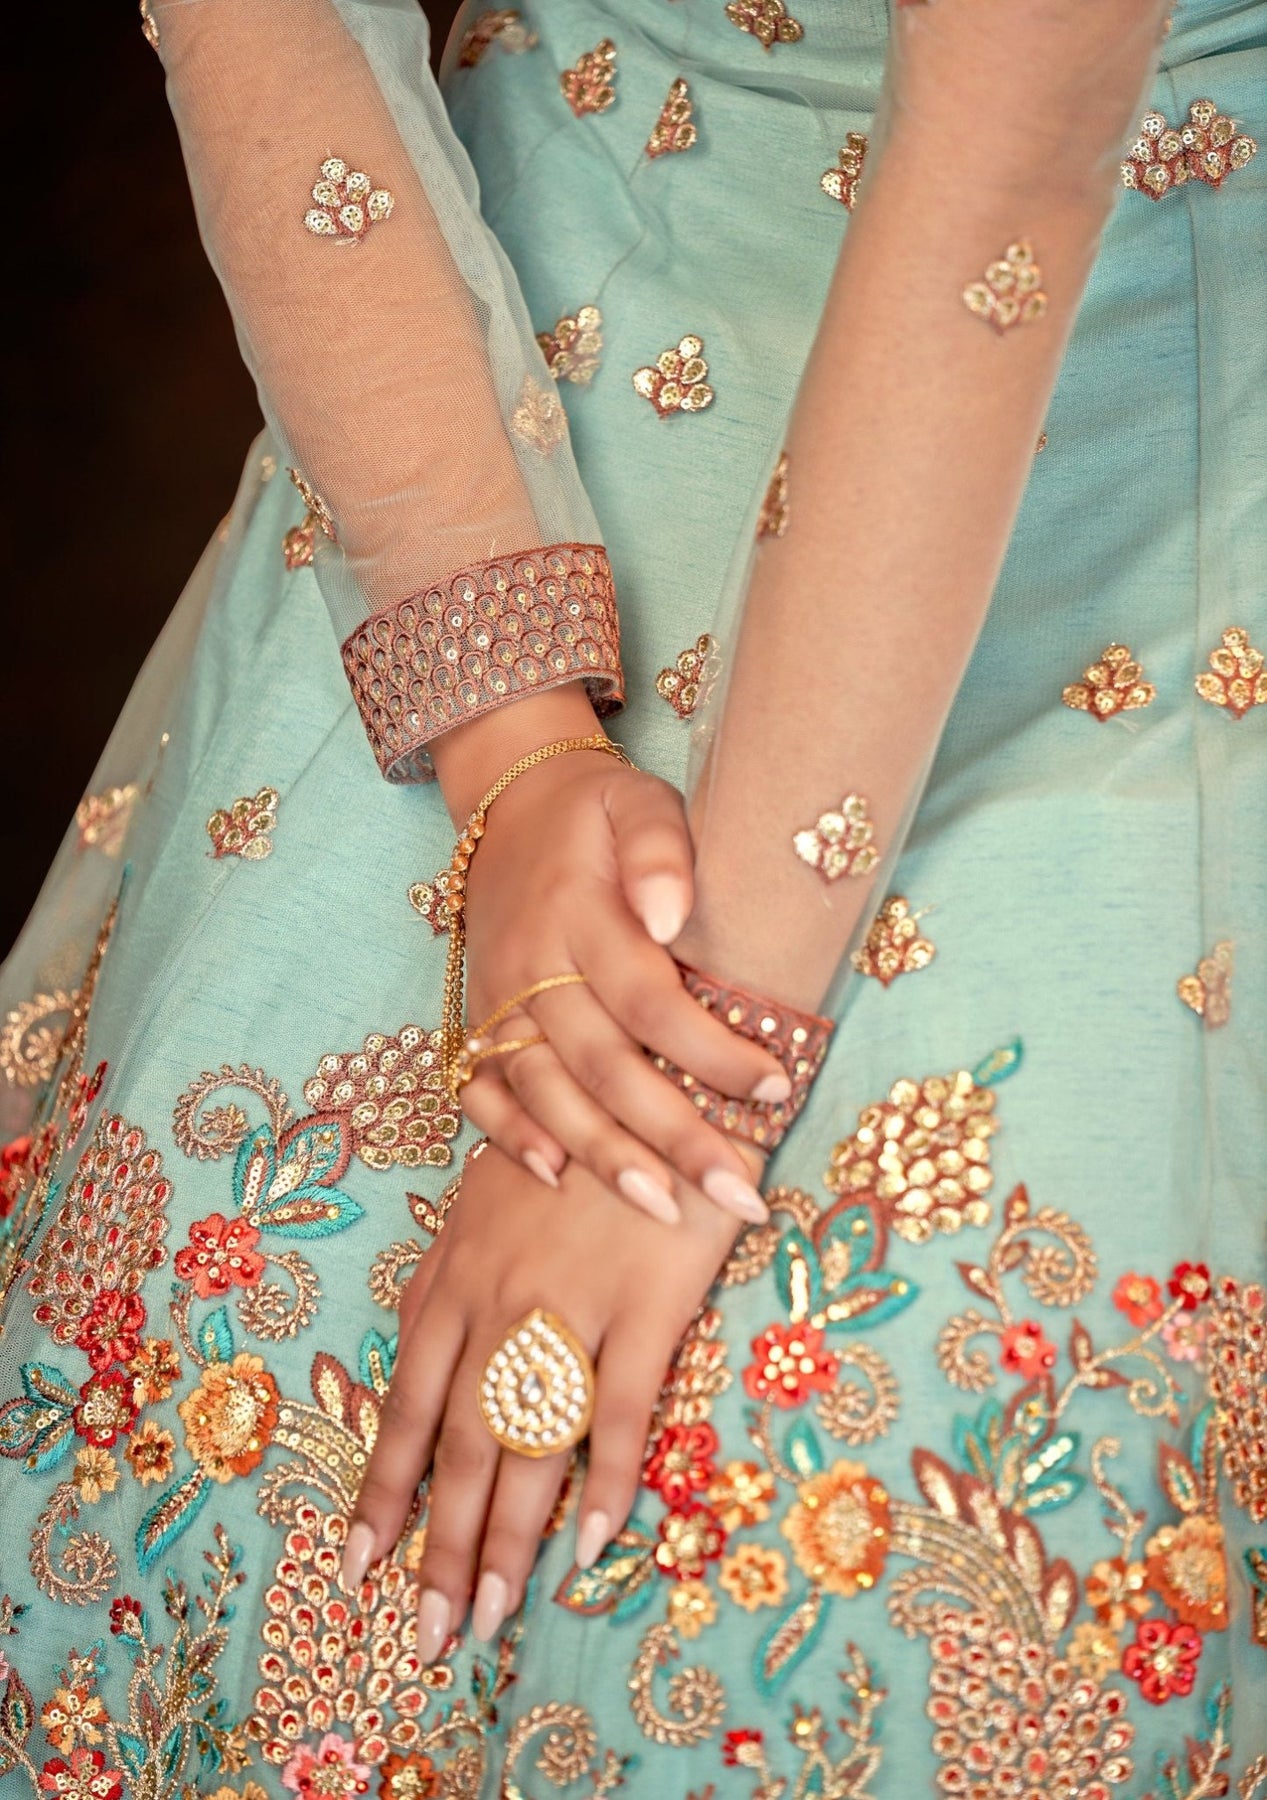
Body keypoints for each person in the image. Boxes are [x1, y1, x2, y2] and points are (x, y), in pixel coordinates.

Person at [0, 0, 1263, 1793]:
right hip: (495, 330)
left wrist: (677, 1069)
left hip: (1118, 334)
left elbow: (1009, 164)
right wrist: (503, 729)